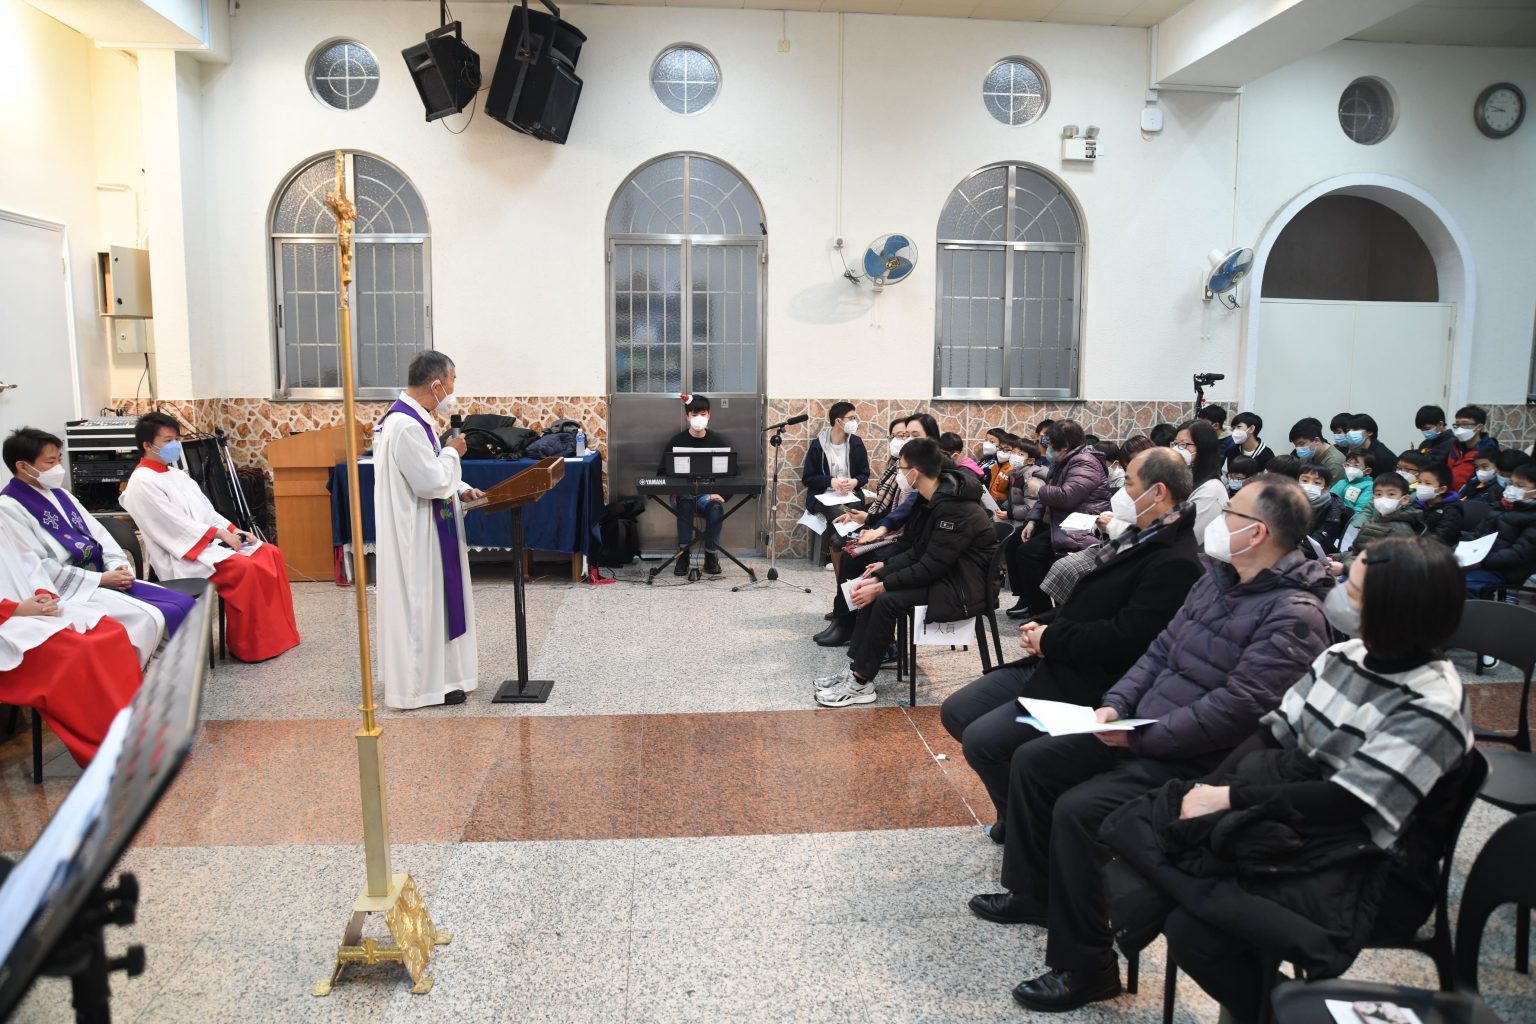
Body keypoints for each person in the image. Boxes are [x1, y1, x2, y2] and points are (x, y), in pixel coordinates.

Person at [969, 476, 1332, 1013]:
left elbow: (1236, 710)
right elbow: (1159, 652)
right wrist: (1116, 705)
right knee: (1035, 761)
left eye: (1230, 513)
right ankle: (1035, 893)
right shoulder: (1217, 581)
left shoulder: (1293, 614)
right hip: (1146, 728)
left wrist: (1146, 735)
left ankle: (1087, 967)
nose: (1218, 521)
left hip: (1203, 761)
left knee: (1079, 810)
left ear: (1257, 533)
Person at [1107, 537, 1474, 1024]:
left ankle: (1282, 1012)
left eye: (1353, 591)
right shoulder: (1345, 655)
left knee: (1197, 930)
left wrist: (1229, 797)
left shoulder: (1432, 704)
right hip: (1303, 822)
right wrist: (1205, 791)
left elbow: (1349, 800)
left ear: (1397, 611)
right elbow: (1275, 730)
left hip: (1369, 861)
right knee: (1156, 838)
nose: (1339, 596)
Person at [939, 448, 1203, 833]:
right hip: (1060, 655)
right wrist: (1043, 624)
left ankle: (1028, 827)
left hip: (1089, 679)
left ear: (1158, 492)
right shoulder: (1138, 537)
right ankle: (1021, 812)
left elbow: (1127, 637)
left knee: (983, 741)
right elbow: (1089, 602)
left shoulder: (1175, 559)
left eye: (1129, 483)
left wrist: (1051, 638)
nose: (1119, 492)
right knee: (957, 711)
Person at [814, 438, 997, 708]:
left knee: (885, 599)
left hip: (962, 588)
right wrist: (883, 570)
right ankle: (856, 668)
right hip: (945, 576)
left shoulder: (955, 509)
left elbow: (931, 565)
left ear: (914, 472)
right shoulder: (930, 499)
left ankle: (861, 682)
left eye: (901, 468)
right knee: (871, 586)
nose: (898, 473)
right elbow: (915, 548)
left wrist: (883, 586)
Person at [1, 427, 195, 667]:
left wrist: (117, 566)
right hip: (71, 589)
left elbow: (99, 535)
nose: (58, 467)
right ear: (22, 466)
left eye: (59, 459)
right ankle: (141, 677)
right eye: (50, 462)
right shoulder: (9, 508)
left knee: (182, 604)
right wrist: (100, 579)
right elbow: (35, 566)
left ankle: (171, 673)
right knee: (149, 618)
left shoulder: (61, 495)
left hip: (103, 576)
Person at [120, 412, 299, 663]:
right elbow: (172, 526)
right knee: (244, 568)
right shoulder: (142, 483)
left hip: (208, 543)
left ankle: (279, 636)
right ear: (147, 445)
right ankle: (251, 646)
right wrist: (218, 533)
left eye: (176, 439)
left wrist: (234, 530)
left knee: (271, 553)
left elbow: (207, 512)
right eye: (168, 441)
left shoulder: (177, 474)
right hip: (182, 555)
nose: (175, 445)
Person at [372, 351, 486, 710]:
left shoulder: (412, 418)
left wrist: (460, 488)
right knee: (422, 606)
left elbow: (428, 469)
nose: (453, 389)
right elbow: (430, 481)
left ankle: (439, 680)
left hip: (427, 525)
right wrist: (453, 453)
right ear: (436, 385)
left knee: (434, 605)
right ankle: (420, 688)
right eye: (452, 381)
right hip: (416, 534)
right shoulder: (405, 426)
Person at [0, 520, 142, 765]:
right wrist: (17, 609)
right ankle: (109, 752)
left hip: (31, 608)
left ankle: (137, 730)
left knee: (110, 631)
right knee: (78, 652)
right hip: (8, 622)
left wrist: (44, 594)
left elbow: (29, 562)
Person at [817, 415, 934, 647]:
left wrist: (874, 524)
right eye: (900, 436)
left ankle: (849, 622)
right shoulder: (897, 466)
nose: (905, 440)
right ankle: (844, 616)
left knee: (854, 555)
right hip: (895, 530)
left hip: (907, 538)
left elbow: (904, 510)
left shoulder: (927, 470)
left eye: (912, 435)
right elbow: (888, 504)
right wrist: (865, 517)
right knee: (841, 542)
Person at [1005, 420, 1111, 618]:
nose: (1048, 449)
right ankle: (1028, 599)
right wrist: (1032, 521)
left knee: (1029, 553)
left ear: (1065, 446)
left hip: (1079, 526)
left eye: (1051, 445)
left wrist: (1039, 489)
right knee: (1016, 541)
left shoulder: (1085, 462)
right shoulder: (1063, 460)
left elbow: (1066, 497)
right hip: (1057, 522)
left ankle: (1042, 614)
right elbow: (1046, 498)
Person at [661, 394, 730, 577]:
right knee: (685, 503)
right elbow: (662, 472)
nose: (699, 418)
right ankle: (683, 555)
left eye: (702, 413)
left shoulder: (717, 442)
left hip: (707, 496)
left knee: (716, 507)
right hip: (683, 494)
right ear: (687, 417)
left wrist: (722, 495)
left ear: (709, 415)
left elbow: (731, 473)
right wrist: (675, 490)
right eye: (694, 414)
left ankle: (711, 555)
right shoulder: (677, 442)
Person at [803, 401, 871, 573]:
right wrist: (830, 481)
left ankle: (847, 552)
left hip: (850, 494)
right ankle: (833, 553)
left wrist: (855, 482)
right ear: (838, 421)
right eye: (851, 418)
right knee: (838, 511)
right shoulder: (818, 445)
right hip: (824, 496)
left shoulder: (856, 443)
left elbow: (864, 474)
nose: (855, 422)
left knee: (854, 510)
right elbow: (808, 478)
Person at [1463, 462, 1536, 598]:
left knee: (1462, 585)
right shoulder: (1499, 507)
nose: (1512, 488)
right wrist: (1459, 551)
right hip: (1481, 561)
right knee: (1438, 569)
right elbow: (1477, 534)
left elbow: (1518, 555)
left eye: (1520, 486)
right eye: (1511, 483)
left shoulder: (1532, 518)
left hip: (1506, 572)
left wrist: (1481, 562)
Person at [1332, 472, 1425, 573]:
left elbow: (1386, 567)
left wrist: (1344, 568)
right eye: (1378, 494)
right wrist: (1334, 558)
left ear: (1405, 499)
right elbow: (1355, 551)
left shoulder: (1402, 531)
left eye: (1391, 494)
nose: (1383, 498)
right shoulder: (1372, 521)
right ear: (1373, 499)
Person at [1171, 420, 1227, 543]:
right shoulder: (1186, 480)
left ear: (1204, 448)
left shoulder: (1211, 491)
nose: (1177, 449)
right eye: (1175, 443)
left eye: (1184, 444)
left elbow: (1189, 538)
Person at [1445, 404, 1499, 491]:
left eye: (1465, 424)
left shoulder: (1488, 451)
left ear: (1479, 427)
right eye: (1457, 425)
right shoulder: (1455, 445)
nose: (1460, 429)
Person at [1299, 461, 1349, 554]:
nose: (1309, 486)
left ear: (1326, 488)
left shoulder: (1333, 510)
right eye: (1305, 481)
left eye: (1317, 483)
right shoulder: (1291, 500)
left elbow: (1314, 548)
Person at [1413, 463, 1464, 547]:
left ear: (1442, 489)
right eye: (1419, 482)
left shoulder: (1451, 510)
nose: (1421, 486)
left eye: (1427, 483)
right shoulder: (1417, 503)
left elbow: (1442, 538)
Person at [1288, 417, 1347, 482]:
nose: (1298, 448)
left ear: (1316, 441)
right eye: (1295, 445)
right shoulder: (1306, 457)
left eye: (1301, 444)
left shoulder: (1335, 462)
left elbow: (1333, 488)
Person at [1332, 447, 1376, 526]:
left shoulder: (1369, 486)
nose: (1350, 468)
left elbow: (1360, 511)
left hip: (1346, 524)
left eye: (1356, 465)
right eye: (1348, 464)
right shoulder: (1341, 482)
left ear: (1368, 471)